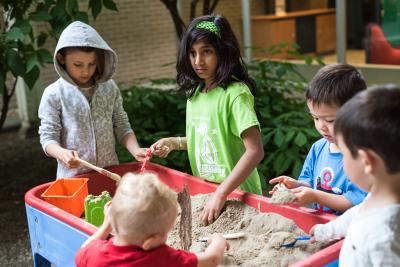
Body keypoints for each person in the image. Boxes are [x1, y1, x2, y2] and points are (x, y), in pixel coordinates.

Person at [150, 14, 264, 225]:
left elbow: (255, 151)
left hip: (240, 197)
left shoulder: (236, 93)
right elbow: (208, 138)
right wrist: (174, 143)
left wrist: (221, 193)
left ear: (224, 52)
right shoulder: (195, 93)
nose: (198, 61)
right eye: (192, 53)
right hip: (207, 193)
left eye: (207, 52)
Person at [38, 21, 146, 178]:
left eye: (92, 64)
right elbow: (48, 137)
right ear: (61, 59)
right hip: (73, 178)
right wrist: (62, 153)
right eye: (78, 64)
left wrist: (135, 150)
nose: (86, 71)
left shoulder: (110, 88)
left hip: (110, 174)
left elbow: (121, 124)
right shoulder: (54, 94)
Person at [309, 85, 400, 266]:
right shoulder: (378, 199)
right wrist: (326, 231)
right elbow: (354, 215)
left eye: (343, 151)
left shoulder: (383, 238)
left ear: (367, 162)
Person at [269, 64, 368, 214]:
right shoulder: (318, 148)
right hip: (322, 225)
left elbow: (353, 200)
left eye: (330, 120)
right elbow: (310, 183)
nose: (321, 126)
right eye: (315, 118)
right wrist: (294, 186)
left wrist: (316, 196)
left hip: (350, 229)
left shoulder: (362, 155)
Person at [75, 172, 228, 267]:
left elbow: (83, 250)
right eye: (165, 232)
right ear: (149, 242)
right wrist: (218, 241)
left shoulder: (95, 254)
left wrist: (106, 226)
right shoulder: (161, 258)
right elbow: (212, 260)